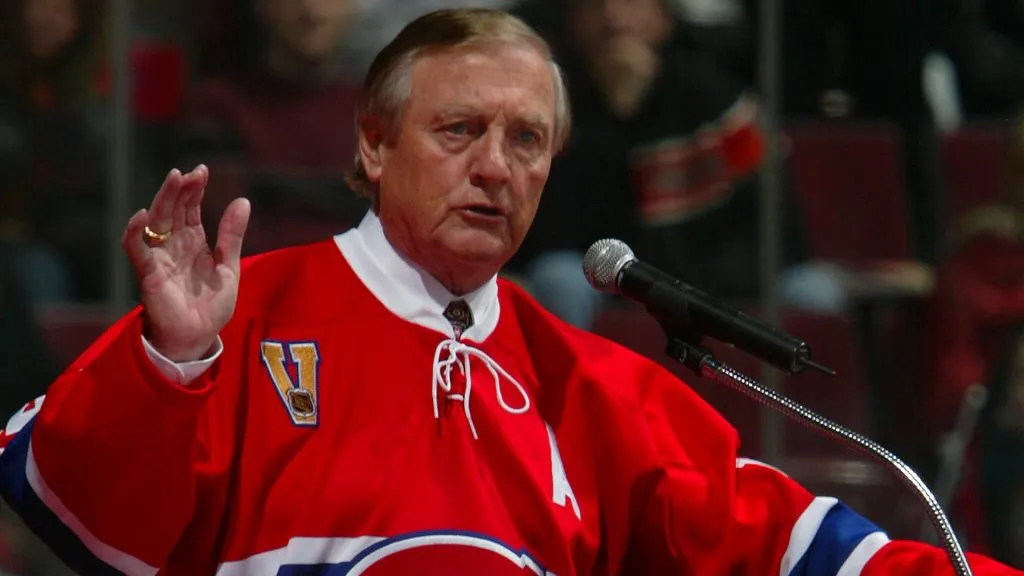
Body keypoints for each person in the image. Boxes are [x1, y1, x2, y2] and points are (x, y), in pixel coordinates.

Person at [0, 8, 1018, 575]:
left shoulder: (587, 383)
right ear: (372, 142)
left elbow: (794, 548)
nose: (496, 167)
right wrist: (172, 364)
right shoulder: (242, 319)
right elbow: (77, 513)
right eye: (460, 132)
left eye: (526, 140)